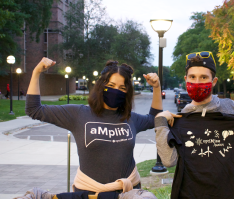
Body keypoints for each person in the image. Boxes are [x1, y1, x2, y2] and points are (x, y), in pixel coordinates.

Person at [25, 57, 161, 198]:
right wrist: (36, 72)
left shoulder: (130, 118)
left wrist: (156, 87)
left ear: (127, 92)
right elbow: (34, 110)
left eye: (122, 88)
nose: (116, 91)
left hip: (128, 193)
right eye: (111, 85)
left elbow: (155, 119)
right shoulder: (78, 114)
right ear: (102, 85)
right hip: (89, 193)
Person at [155, 52, 234, 199]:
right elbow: (169, 161)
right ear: (186, 79)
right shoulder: (181, 118)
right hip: (192, 194)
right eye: (192, 77)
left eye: (203, 77)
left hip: (233, 192)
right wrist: (160, 124)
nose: (197, 82)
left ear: (214, 81)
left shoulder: (231, 108)